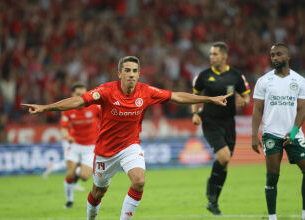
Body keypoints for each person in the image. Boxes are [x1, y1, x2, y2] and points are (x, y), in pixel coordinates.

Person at [22, 56, 232, 220]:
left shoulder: (146, 91)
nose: (132, 75)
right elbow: (78, 101)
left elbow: (176, 96)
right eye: (127, 71)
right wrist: (46, 108)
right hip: (105, 151)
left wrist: (209, 98)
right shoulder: (105, 91)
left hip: (130, 146)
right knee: (98, 191)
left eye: (135, 71)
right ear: (120, 73)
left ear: (139, 74)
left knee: (139, 181)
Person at [191, 42, 250, 215]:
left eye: (215, 54)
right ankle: (211, 185)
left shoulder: (236, 76)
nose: (211, 57)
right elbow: (195, 95)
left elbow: (245, 95)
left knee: (225, 164)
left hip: (229, 123)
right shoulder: (203, 76)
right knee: (224, 157)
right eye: (211, 54)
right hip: (210, 121)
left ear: (224, 56)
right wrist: (195, 113)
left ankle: (213, 202)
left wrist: (244, 101)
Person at [252, 43, 305, 220]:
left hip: (294, 134)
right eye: (272, 55)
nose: (275, 58)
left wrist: (293, 132)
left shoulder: (299, 81)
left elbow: (302, 110)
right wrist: (254, 135)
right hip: (271, 134)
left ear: (288, 57)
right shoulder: (263, 81)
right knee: (273, 176)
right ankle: (273, 217)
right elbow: (257, 109)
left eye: (279, 54)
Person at [62, 82, 101, 209]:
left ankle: (78, 168)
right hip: (74, 146)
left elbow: (105, 120)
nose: (81, 97)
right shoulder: (67, 109)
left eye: (83, 94)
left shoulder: (95, 107)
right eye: (78, 94)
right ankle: (69, 201)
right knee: (70, 174)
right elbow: (63, 128)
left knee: (84, 177)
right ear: (73, 95)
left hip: (90, 147)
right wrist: (68, 137)